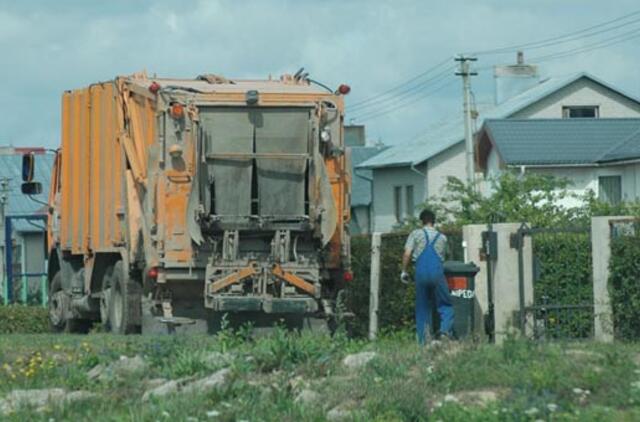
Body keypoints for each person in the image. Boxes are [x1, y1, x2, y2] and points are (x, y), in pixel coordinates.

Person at [401, 209, 454, 344]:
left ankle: (424, 340)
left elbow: (407, 254)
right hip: (437, 273)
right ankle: (444, 332)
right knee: (445, 304)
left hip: (421, 273)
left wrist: (404, 271)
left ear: (422, 221)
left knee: (423, 307)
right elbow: (446, 256)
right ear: (434, 221)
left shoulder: (415, 234)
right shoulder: (442, 237)